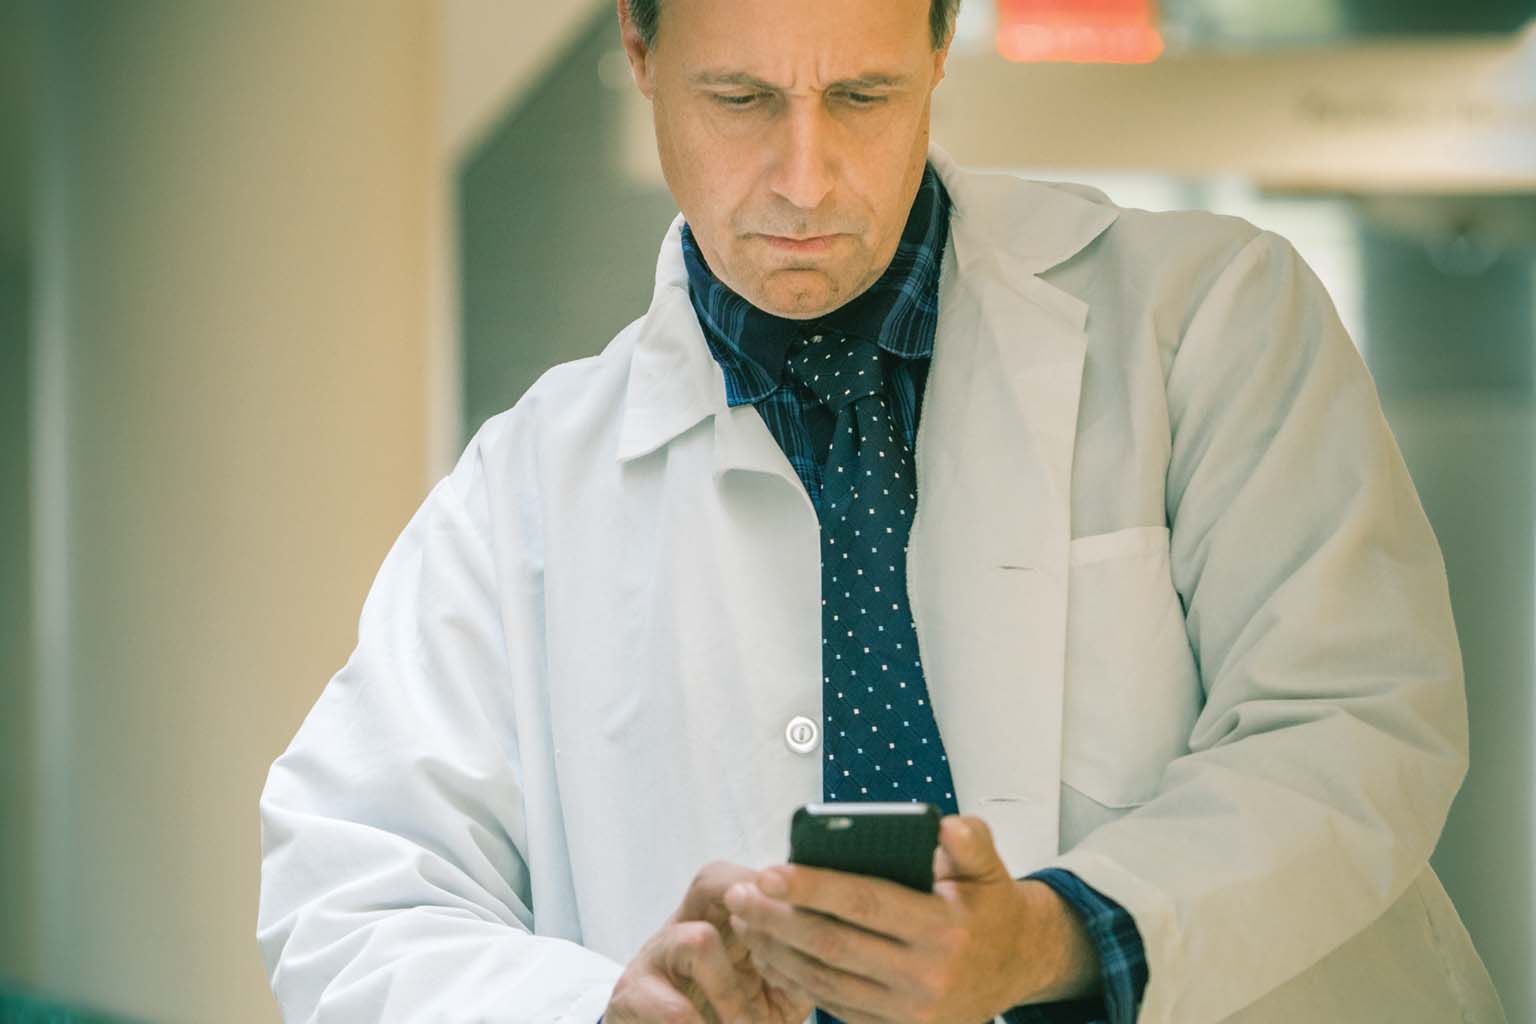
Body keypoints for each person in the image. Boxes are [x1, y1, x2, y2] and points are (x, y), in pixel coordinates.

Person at [256, 1, 1508, 1021]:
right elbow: (351, 892)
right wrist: (599, 1013)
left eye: (862, 97)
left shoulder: (1212, 321)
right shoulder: (523, 492)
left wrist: (1056, 934)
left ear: (939, 42)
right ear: (638, 51)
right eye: (739, 100)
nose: (805, 179)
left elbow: (1355, 725)